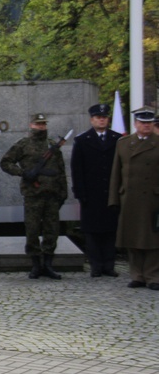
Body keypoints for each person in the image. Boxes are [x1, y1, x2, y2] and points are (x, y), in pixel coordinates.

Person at [0, 114, 68, 280]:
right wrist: (23, 173)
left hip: (52, 194)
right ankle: (36, 265)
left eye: (43, 124)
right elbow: (6, 162)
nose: (41, 127)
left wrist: (63, 192)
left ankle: (48, 264)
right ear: (31, 125)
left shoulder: (52, 145)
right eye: (38, 124)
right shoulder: (24, 144)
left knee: (52, 231)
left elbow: (61, 170)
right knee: (32, 230)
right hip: (33, 194)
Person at [108, 107, 159, 290]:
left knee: (153, 240)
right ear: (136, 124)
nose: (146, 126)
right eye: (142, 123)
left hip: (153, 198)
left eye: (149, 123)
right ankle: (137, 275)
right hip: (129, 198)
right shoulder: (123, 143)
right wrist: (114, 198)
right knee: (132, 238)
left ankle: (153, 276)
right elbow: (116, 173)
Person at [70, 104, 121, 278]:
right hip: (91, 193)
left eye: (104, 117)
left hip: (111, 193)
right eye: (98, 117)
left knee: (110, 230)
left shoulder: (117, 139)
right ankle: (96, 265)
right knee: (92, 232)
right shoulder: (83, 140)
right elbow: (77, 169)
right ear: (92, 120)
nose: (101, 120)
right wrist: (80, 193)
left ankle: (109, 264)